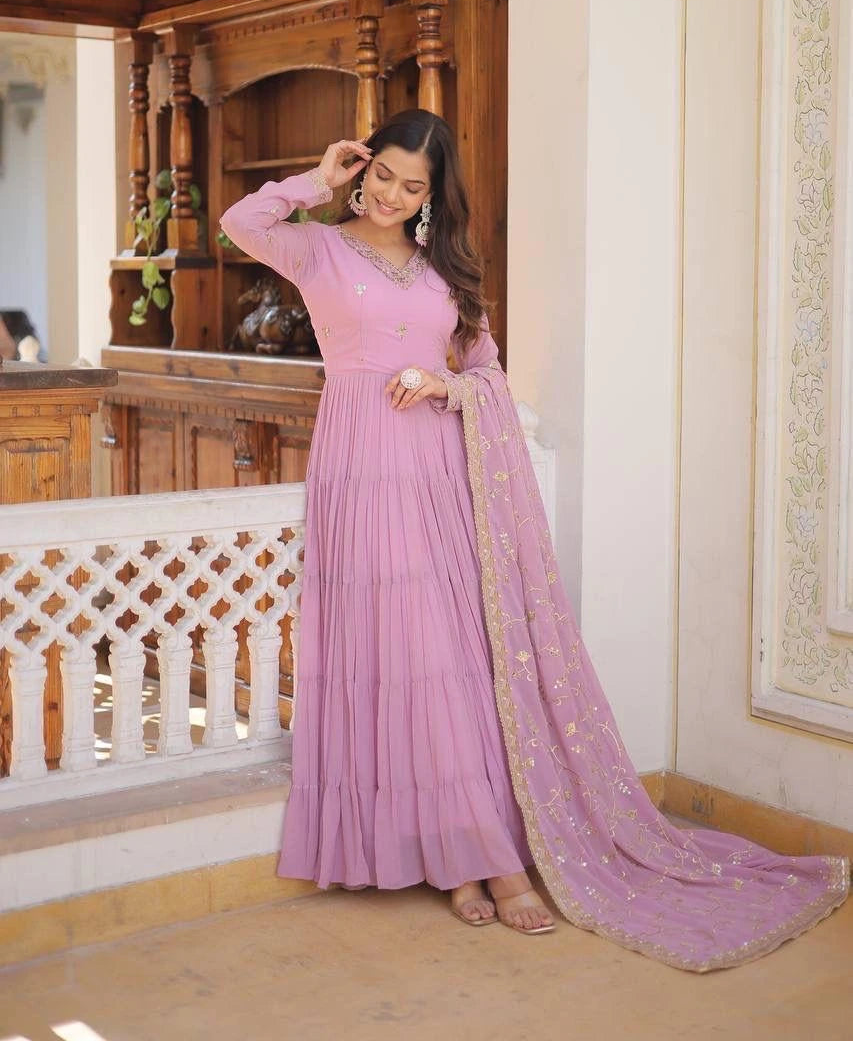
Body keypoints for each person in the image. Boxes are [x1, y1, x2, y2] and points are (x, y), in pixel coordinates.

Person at [220, 109, 849, 969]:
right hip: (363, 472)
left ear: (435, 198)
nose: (392, 195)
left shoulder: (446, 273)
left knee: (463, 661)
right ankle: (471, 863)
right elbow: (239, 224)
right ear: (361, 165)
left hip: (443, 472)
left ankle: (474, 858)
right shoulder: (317, 248)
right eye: (383, 174)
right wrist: (316, 180)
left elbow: (483, 372)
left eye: (414, 186)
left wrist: (443, 385)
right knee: (404, 658)